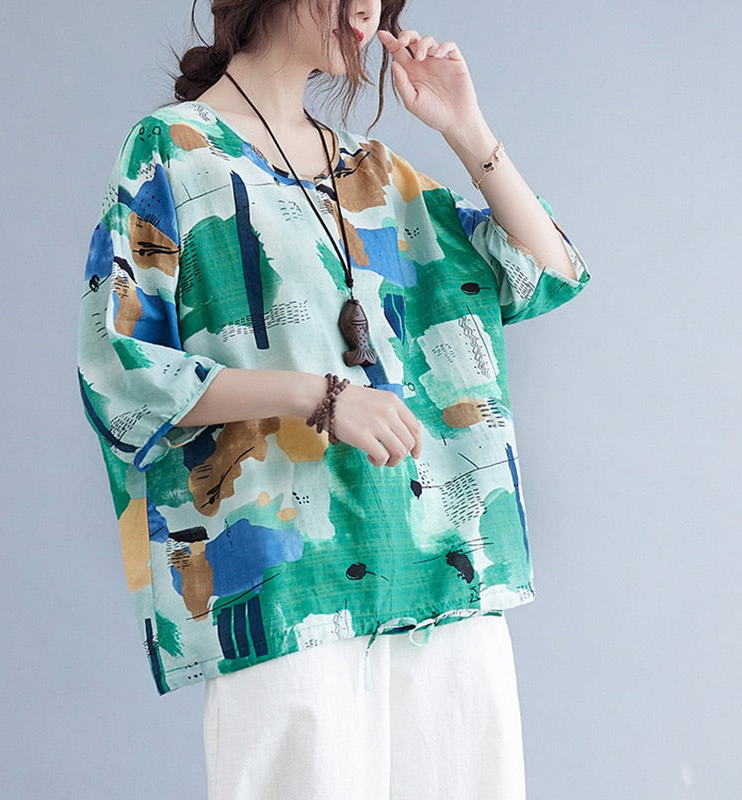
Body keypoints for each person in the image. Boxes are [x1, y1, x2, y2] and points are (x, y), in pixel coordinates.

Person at [77, 0, 589, 797]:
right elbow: (120, 370)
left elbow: (544, 269)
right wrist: (318, 395)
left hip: (441, 577)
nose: (369, 8)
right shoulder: (172, 150)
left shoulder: (375, 172)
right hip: (289, 589)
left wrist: (465, 126)